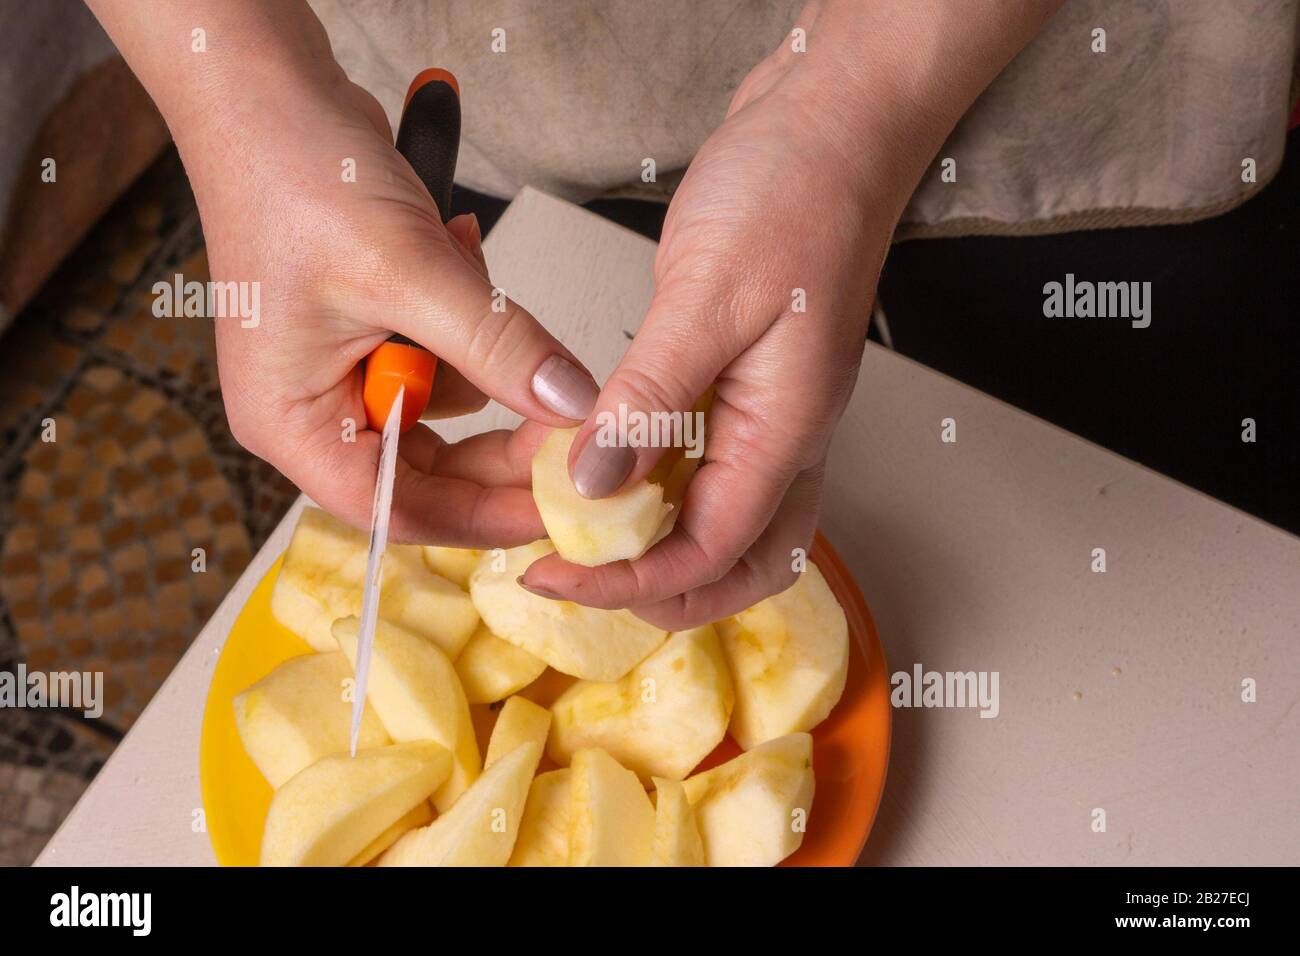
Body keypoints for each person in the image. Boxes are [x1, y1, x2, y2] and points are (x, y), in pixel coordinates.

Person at [80, 0, 1163, 627]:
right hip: (473, 94)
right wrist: (243, 97)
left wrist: (857, 97)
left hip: (1056, 99)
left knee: (1131, 523)